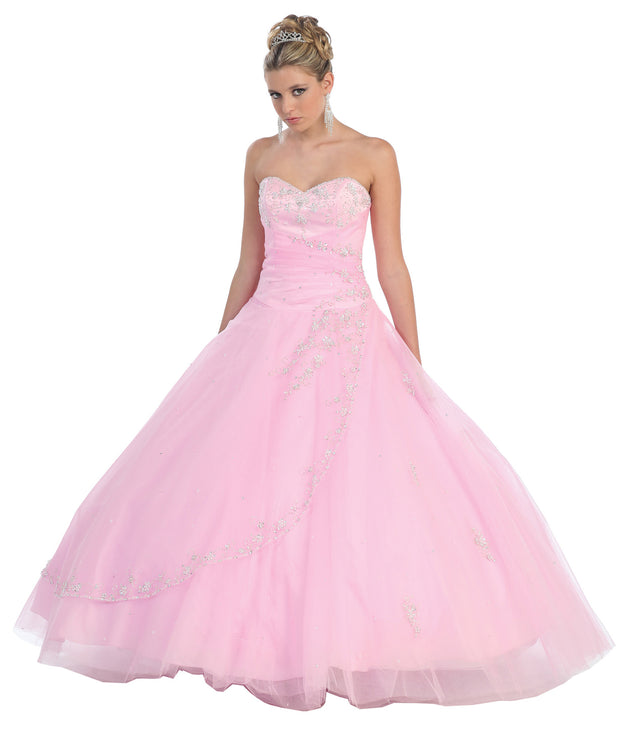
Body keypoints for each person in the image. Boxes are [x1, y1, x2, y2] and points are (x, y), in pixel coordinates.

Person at [13, 13, 615, 713]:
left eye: (298, 91)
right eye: (274, 94)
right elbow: (248, 259)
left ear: (330, 82)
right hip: (266, 329)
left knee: (354, 496)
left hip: (347, 334)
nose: (286, 107)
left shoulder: (374, 154)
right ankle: (247, 639)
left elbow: (392, 265)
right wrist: (219, 347)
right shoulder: (258, 157)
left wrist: (413, 364)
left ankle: (347, 643)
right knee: (237, 489)